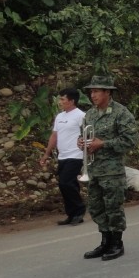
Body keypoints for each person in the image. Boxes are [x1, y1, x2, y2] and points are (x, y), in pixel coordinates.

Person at [80, 75, 139, 262]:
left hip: (112, 170)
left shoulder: (121, 113)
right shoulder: (90, 114)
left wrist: (103, 143)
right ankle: (105, 241)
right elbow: (85, 135)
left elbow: (130, 140)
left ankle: (116, 243)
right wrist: (82, 142)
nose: (92, 95)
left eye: (96, 91)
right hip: (94, 169)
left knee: (113, 207)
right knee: (96, 207)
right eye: (91, 91)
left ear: (108, 92)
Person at [39, 87, 87, 226]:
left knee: (66, 182)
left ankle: (79, 211)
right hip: (63, 156)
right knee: (65, 185)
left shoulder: (81, 116)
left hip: (76, 155)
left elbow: (87, 135)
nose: (59, 102)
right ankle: (71, 214)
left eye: (62, 99)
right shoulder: (59, 117)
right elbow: (54, 136)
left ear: (71, 101)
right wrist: (46, 154)